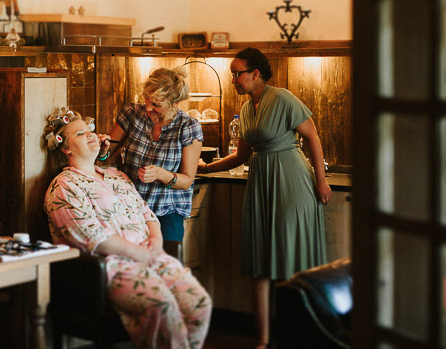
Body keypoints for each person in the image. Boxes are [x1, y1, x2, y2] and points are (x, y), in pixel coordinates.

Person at [42, 107, 212, 349]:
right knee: (161, 304)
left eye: (90, 129)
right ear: (65, 148)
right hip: (110, 267)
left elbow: (147, 213)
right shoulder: (64, 186)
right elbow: (92, 236)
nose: (91, 134)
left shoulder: (117, 176)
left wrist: (155, 242)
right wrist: (138, 254)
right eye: (80, 134)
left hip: (152, 256)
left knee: (199, 303)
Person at [196, 47, 331, 348]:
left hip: (291, 180)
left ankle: (300, 335)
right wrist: (206, 167)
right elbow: (240, 156)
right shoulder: (245, 110)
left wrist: (321, 182)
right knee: (260, 261)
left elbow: (313, 136)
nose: (233, 79)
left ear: (255, 73)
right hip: (260, 182)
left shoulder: (282, 98)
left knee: (291, 257)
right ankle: (263, 339)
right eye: (231, 74)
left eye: (236, 74)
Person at [101, 68, 203, 252]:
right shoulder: (132, 113)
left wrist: (160, 174)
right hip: (129, 209)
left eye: (156, 104)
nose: (148, 108)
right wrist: (102, 149)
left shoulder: (188, 126)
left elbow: (187, 180)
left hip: (167, 213)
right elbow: (105, 155)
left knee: (166, 268)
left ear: (175, 102)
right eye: (147, 100)